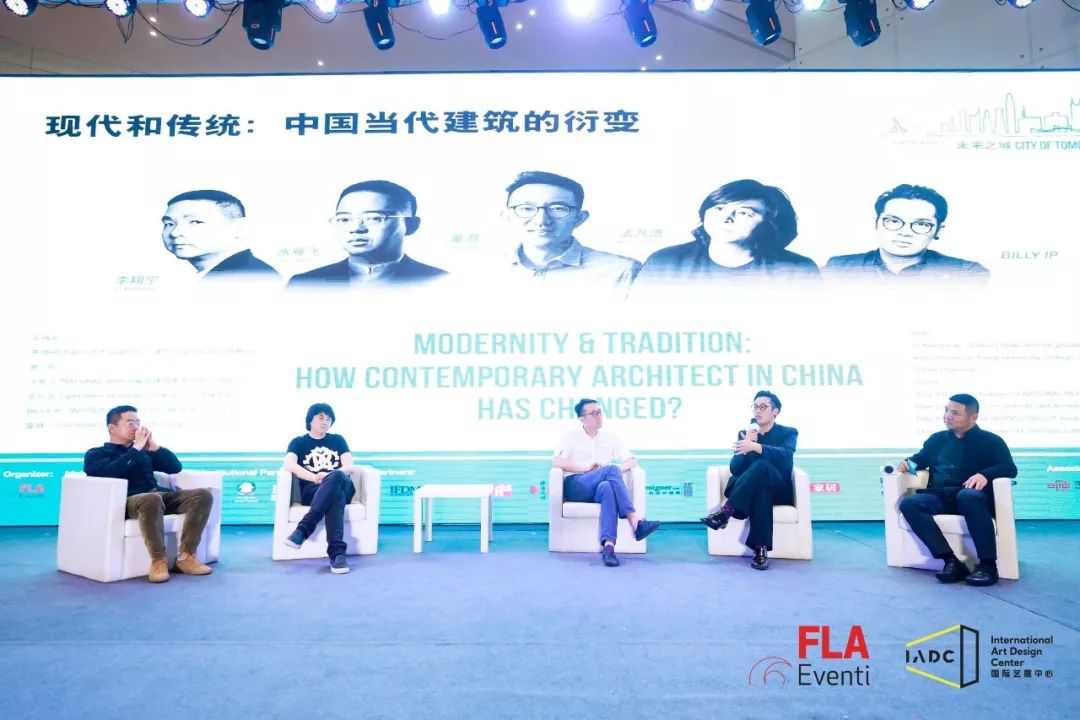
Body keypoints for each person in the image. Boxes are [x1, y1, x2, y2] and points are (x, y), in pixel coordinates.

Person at [895, 394, 1017, 586]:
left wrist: (984, 474)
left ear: (972, 417)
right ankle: (951, 561)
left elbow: (1009, 468)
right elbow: (919, 460)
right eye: (946, 410)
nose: (947, 416)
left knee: (968, 496)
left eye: (955, 413)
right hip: (941, 497)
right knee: (910, 504)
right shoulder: (936, 439)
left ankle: (987, 566)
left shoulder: (992, 441)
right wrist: (907, 464)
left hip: (972, 498)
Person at [83, 405, 214, 583]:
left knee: (202, 495)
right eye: (130, 423)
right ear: (112, 428)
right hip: (128, 501)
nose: (136, 427)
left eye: (138, 423)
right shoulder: (97, 453)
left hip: (157, 496)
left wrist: (155, 447)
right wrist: (136, 449)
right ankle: (158, 561)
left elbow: (175, 467)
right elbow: (110, 472)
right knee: (151, 499)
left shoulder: (144, 452)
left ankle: (186, 557)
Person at [632, 179, 819, 292]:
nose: (726, 218)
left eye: (744, 212)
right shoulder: (665, 262)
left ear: (770, 223)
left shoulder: (797, 270)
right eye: (719, 208)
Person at [552, 398, 661, 567]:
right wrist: (586, 467)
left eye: (600, 412)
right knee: (610, 470)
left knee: (607, 486)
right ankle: (635, 521)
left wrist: (614, 471)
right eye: (594, 413)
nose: (599, 416)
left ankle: (609, 547)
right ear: (582, 419)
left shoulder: (610, 437)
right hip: (575, 485)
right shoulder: (569, 437)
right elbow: (556, 462)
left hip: (598, 487)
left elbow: (631, 460)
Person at [501, 171, 640, 296]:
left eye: (557, 208)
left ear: (579, 218)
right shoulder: (489, 269)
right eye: (526, 208)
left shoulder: (622, 271)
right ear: (506, 217)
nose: (541, 221)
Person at [700, 391, 797, 571]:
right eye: (755, 407)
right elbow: (735, 469)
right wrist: (744, 451)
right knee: (761, 490)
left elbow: (786, 455)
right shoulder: (746, 434)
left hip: (778, 488)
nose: (757, 411)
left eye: (763, 407)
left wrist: (756, 447)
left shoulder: (788, 432)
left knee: (762, 466)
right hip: (750, 489)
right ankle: (760, 550)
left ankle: (725, 513)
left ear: (775, 411)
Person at [287, 180, 447, 289]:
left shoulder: (440, 282)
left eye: (373, 218)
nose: (356, 228)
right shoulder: (304, 283)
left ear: (411, 225)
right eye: (344, 219)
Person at [824, 184, 988, 282]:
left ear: (939, 230)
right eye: (893, 221)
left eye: (921, 224)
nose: (905, 232)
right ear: (876, 223)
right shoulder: (836, 268)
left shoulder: (966, 273)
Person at [281, 403, 357, 574]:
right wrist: (314, 477)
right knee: (335, 496)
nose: (325, 422)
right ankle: (337, 554)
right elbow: (289, 464)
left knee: (336, 477)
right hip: (314, 490)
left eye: (329, 419)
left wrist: (329, 475)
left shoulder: (338, 439)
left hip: (343, 485)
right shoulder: (298, 442)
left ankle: (303, 529)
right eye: (321, 418)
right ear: (310, 420)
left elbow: (349, 467)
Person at [161, 189, 280, 282]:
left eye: (195, 222)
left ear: (239, 228)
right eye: (169, 224)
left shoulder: (253, 278)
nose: (175, 233)